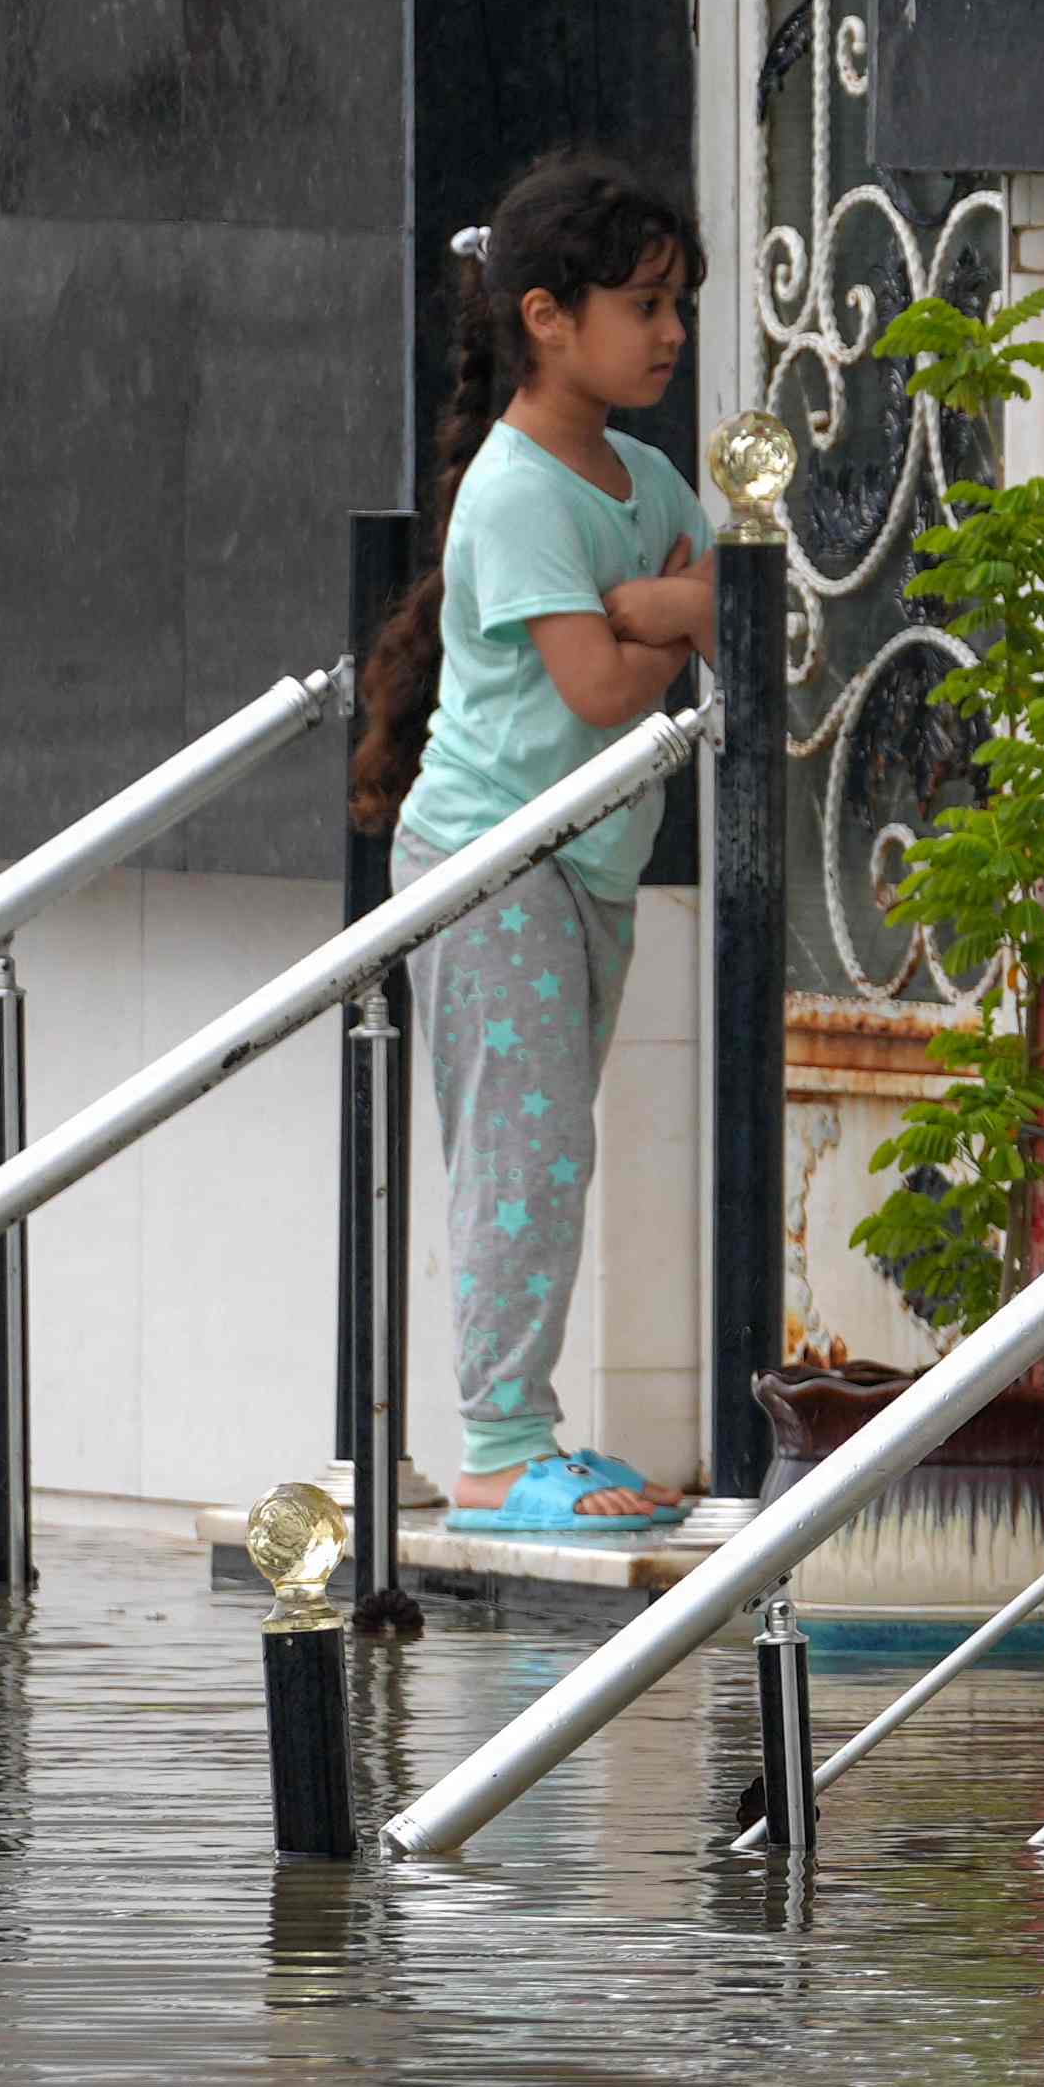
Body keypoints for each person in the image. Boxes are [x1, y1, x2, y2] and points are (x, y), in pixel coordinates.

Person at [366, 148, 727, 1538]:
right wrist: (666, 619)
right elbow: (594, 689)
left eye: (677, 304)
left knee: (550, 1148)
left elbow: (701, 605)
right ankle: (504, 1455)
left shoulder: (641, 474)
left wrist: (655, 610)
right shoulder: (520, 493)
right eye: (644, 305)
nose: (673, 334)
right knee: (524, 1156)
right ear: (545, 316)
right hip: (496, 862)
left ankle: (518, 1442)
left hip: (582, 863)